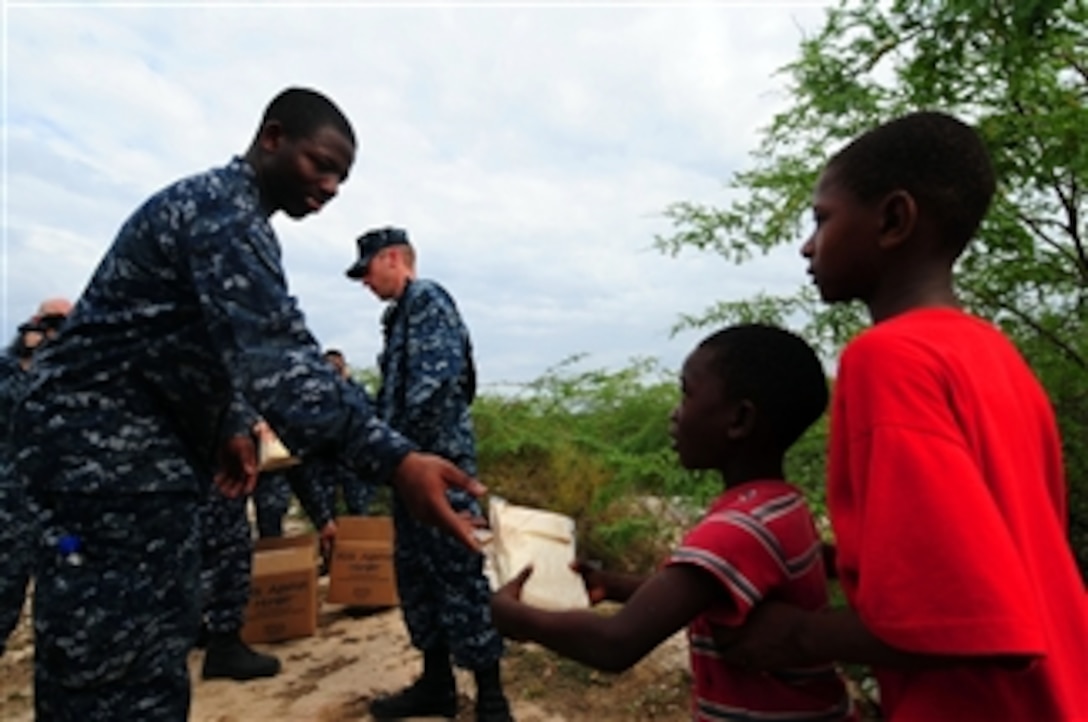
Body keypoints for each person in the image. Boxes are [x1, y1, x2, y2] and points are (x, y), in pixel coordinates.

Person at [11, 88, 485, 722]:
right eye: (321, 164)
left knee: (153, 651)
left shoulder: (238, 219)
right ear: (272, 137)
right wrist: (398, 461)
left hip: (143, 468)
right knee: (110, 672)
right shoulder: (223, 214)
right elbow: (281, 363)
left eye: (342, 176)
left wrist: (231, 425)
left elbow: (207, 344)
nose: (332, 185)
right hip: (104, 473)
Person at [711, 111, 1088, 721]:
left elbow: (967, 620)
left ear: (893, 219)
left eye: (822, 219)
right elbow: (973, 553)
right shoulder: (994, 355)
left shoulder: (888, 358)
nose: (808, 246)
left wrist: (795, 635)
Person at [491, 324, 854, 722]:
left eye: (687, 394)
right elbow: (702, 595)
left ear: (739, 419)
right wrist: (612, 586)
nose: (675, 413)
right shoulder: (780, 506)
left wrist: (518, 618)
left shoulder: (733, 532)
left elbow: (616, 643)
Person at [347, 227, 510, 722]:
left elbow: (435, 388)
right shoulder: (397, 318)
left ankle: (491, 700)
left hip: (437, 471)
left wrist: (401, 451)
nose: (364, 283)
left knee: (460, 577)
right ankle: (437, 684)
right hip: (410, 473)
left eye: (367, 270)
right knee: (417, 579)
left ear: (393, 258)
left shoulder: (427, 300)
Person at [0, 298, 72, 655]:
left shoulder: (72, 372)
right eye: (48, 322)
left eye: (63, 324)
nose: (53, 331)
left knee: (67, 578)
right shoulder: (7, 370)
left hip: (60, 508)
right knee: (6, 586)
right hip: (9, 504)